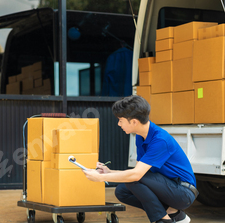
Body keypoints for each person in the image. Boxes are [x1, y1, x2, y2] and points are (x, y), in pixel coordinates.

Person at [83, 95, 198, 223]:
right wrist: (109, 172)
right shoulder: (140, 136)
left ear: (134, 122)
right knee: (122, 191)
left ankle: (163, 220)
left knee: (133, 179)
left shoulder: (160, 140)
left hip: (183, 193)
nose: (118, 124)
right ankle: (174, 214)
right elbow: (138, 172)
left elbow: (136, 175)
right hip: (167, 188)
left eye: (120, 120)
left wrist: (100, 178)